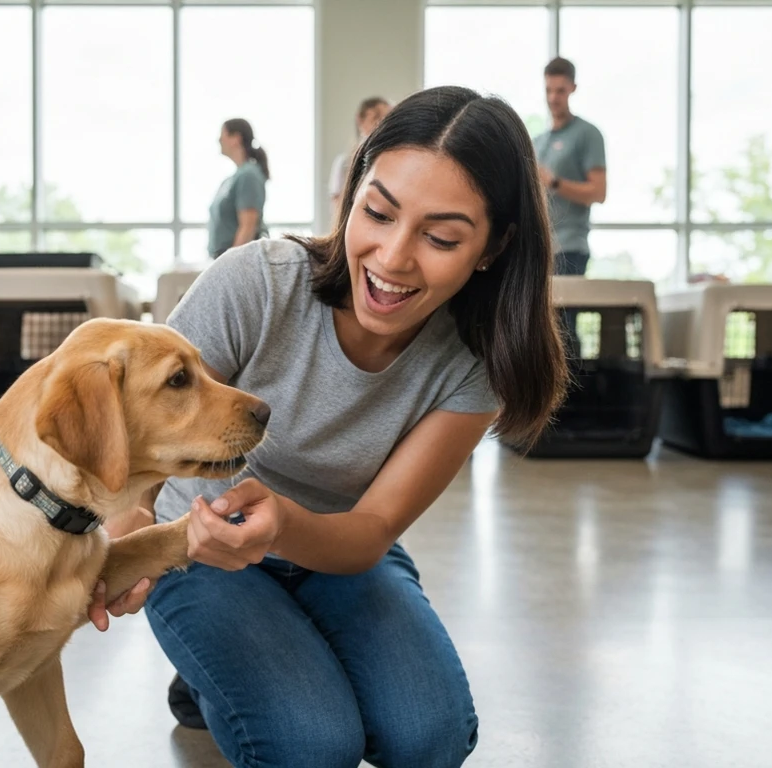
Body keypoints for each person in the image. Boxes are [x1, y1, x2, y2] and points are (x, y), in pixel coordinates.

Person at [88, 86, 568, 768]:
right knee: (313, 747)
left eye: (440, 237)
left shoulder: (473, 363)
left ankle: (259, 657)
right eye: (378, 212)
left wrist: (283, 523)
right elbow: (140, 439)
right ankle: (216, 669)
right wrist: (132, 528)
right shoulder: (257, 282)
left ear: (493, 247)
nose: (393, 257)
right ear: (353, 192)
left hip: (336, 549)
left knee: (430, 739)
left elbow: (372, 528)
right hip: (199, 544)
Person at [534, 57, 607, 277]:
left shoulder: (587, 134)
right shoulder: (538, 142)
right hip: (539, 249)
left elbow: (598, 192)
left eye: (560, 91)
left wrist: (554, 183)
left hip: (570, 249)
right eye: (548, 90)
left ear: (572, 89)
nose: (553, 98)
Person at [207, 118, 268, 259]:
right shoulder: (233, 178)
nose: (219, 140)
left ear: (236, 138)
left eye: (223, 135)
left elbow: (248, 226)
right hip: (222, 258)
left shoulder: (248, 175)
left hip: (236, 261)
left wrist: (231, 264)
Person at [328, 96, 391, 219]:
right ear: (360, 120)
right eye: (376, 118)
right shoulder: (344, 163)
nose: (381, 125)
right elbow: (337, 205)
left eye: (387, 119)